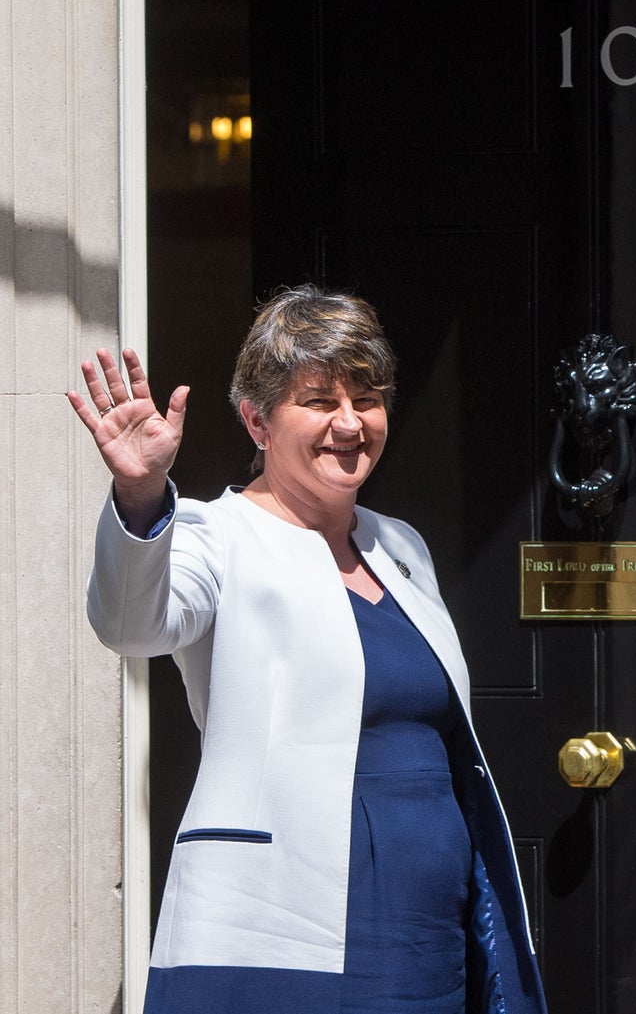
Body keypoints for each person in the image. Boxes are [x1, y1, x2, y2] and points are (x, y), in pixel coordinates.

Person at [68, 285, 547, 1014]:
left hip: (427, 933)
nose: (351, 423)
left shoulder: (401, 545)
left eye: (368, 397)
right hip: (277, 934)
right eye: (320, 400)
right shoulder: (211, 533)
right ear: (256, 420)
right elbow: (132, 623)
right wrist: (140, 497)